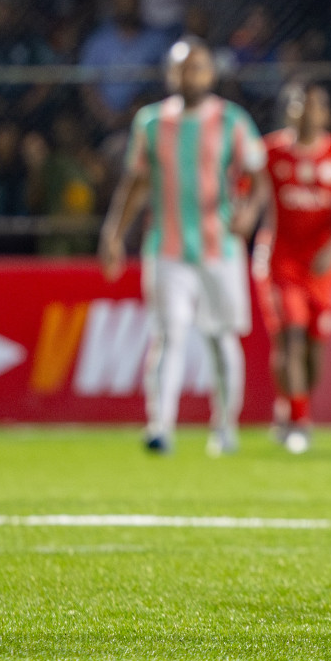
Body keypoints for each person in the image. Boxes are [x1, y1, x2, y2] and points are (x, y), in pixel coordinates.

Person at [99, 39, 269, 456]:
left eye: (197, 69)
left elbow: (259, 177)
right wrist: (114, 233)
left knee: (220, 337)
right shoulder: (151, 123)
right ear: (169, 74)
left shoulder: (232, 121)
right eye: (181, 69)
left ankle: (225, 427)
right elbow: (136, 183)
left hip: (220, 248)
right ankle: (160, 426)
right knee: (167, 334)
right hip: (167, 247)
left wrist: (248, 212)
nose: (189, 76)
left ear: (210, 74)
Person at [253, 84, 331, 454]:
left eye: (315, 106)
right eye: (300, 105)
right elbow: (250, 194)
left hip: (321, 265)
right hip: (280, 261)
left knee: (315, 347)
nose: (307, 112)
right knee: (291, 338)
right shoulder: (269, 152)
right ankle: (300, 422)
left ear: (325, 114)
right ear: (289, 111)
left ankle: (292, 406)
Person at [80, 0, 172, 134]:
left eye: (130, 6)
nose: (126, 11)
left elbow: (168, 80)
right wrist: (107, 116)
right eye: (121, 6)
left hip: (150, 116)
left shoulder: (157, 40)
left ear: (138, 7)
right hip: (105, 122)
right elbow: (87, 84)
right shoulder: (98, 41)